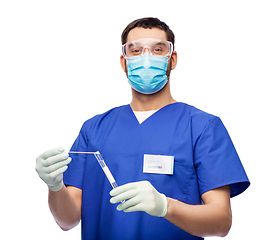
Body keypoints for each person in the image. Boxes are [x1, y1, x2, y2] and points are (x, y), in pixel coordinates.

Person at [36, 17, 250, 240]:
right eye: (136, 50)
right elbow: (67, 220)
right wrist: (55, 186)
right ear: (124, 61)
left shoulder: (201, 127)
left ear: (172, 59)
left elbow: (221, 222)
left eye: (157, 49)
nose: (146, 58)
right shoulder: (94, 129)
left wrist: (166, 207)